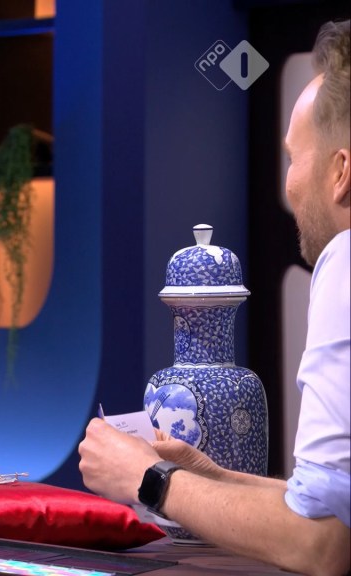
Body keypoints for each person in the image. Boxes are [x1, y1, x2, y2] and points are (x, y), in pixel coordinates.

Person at [78, 20, 349, 576]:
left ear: (340, 171)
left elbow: (320, 542)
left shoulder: (345, 258)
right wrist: (211, 478)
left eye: (293, 158)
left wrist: (147, 479)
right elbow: (335, 507)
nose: (289, 184)